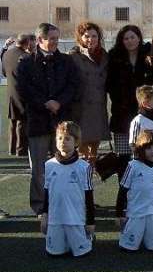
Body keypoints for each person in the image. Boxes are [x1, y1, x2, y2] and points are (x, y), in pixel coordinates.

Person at [17, 23, 79, 215]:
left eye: (56, 38)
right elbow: (24, 90)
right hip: (37, 122)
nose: (55, 42)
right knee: (38, 168)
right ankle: (39, 205)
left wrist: (59, 102)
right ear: (39, 40)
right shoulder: (26, 63)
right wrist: (45, 103)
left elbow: (73, 85)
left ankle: (62, 200)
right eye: (51, 39)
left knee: (63, 163)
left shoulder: (67, 62)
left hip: (61, 123)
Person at [40, 121, 94, 257]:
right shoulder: (49, 165)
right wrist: (44, 216)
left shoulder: (84, 167)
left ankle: (88, 237)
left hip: (75, 219)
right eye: (60, 138)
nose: (63, 142)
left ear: (76, 142)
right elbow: (46, 193)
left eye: (68, 138)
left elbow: (89, 197)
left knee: (81, 253)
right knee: (54, 254)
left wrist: (90, 222)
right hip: (55, 219)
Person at [116, 130, 153, 251]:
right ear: (140, 149)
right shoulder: (133, 166)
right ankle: (128, 232)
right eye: (148, 148)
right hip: (136, 213)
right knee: (128, 248)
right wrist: (119, 214)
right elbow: (122, 190)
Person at [107, 25, 150, 165]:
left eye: (133, 37)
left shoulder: (148, 56)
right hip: (122, 115)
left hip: (144, 114)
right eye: (126, 38)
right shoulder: (114, 58)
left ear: (139, 38)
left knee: (144, 155)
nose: (130, 41)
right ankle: (124, 185)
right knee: (123, 159)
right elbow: (110, 85)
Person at [69, 22, 110, 164]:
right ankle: (82, 181)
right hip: (81, 109)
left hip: (98, 108)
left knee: (94, 152)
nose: (90, 39)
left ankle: (89, 180)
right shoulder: (73, 57)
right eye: (86, 36)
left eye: (94, 36)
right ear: (80, 37)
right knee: (82, 150)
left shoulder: (104, 56)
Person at [3, 33, 33, 156]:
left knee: (13, 121)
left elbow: (4, 72)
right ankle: (21, 149)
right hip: (22, 93)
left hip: (10, 92)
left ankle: (12, 148)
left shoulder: (7, 53)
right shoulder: (26, 57)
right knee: (22, 122)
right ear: (27, 43)